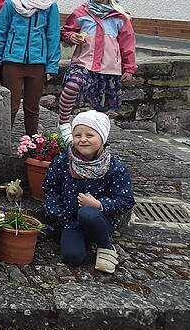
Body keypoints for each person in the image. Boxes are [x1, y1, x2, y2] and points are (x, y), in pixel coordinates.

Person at [42, 110, 134, 273]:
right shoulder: (63, 161)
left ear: (102, 138)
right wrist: (56, 211)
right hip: (70, 220)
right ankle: (84, 240)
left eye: (90, 135)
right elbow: (51, 187)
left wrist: (98, 204)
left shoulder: (115, 167)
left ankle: (105, 246)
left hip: (99, 220)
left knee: (87, 213)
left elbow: (125, 201)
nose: (83, 140)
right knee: (72, 258)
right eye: (77, 135)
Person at [58, 0, 136, 143]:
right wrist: (72, 37)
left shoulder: (120, 16)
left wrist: (129, 67)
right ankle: (63, 123)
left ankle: (100, 137)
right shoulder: (81, 12)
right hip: (83, 63)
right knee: (72, 86)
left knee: (103, 107)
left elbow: (128, 43)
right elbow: (66, 32)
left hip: (109, 67)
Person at [0, 0, 60, 135]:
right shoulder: (11, 3)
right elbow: (0, 33)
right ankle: (4, 147)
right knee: (11, 107)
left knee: (32, 108)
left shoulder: (49, 5)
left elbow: (53, 36)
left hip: (37, 63)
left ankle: (32, 144)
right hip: (13, 62)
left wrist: (52, 65)